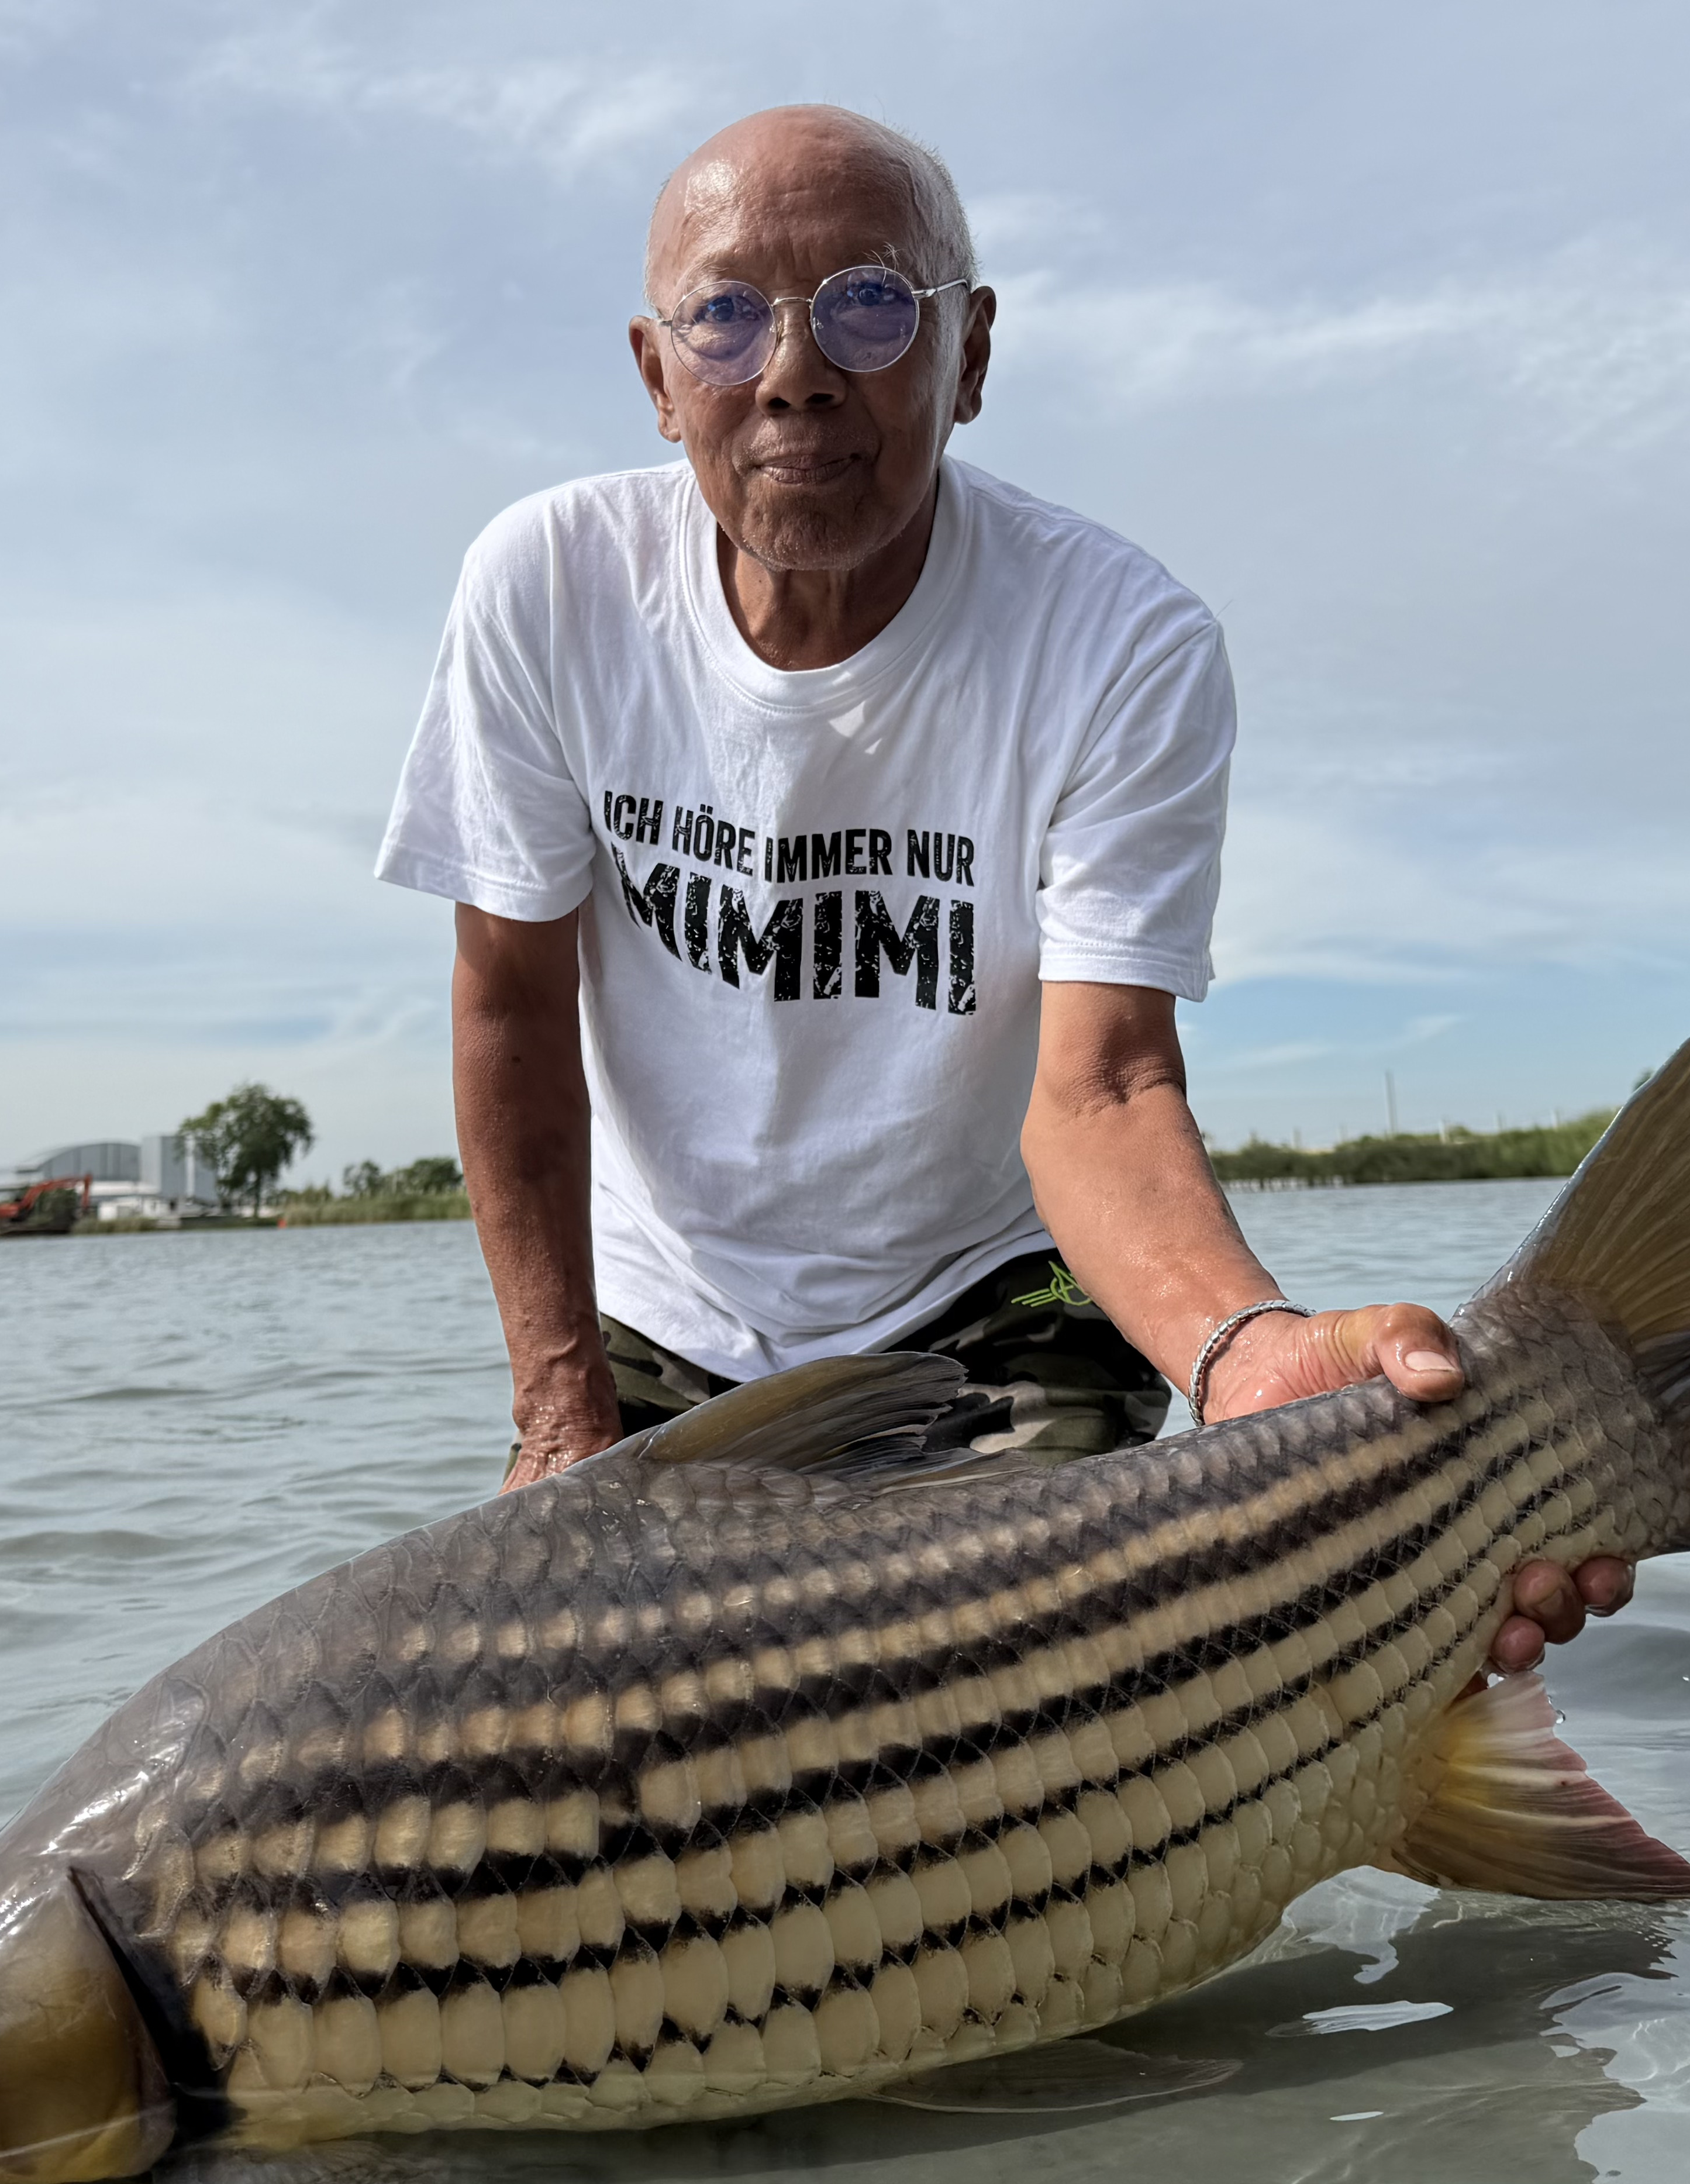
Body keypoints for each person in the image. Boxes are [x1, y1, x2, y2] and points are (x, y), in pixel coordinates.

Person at [377, 105, 1627, 1674]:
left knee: (1044, 1715)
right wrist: (563, 1410)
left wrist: (1239, 1354)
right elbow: (508, 1005)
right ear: (655, 375)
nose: (795, 371)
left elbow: (1100, 1088)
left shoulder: (1119, 642)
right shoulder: (544, 592)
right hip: (658, 1322)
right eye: (728, 313)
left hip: (996, 1306)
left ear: (969, 355)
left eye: (871, 304)